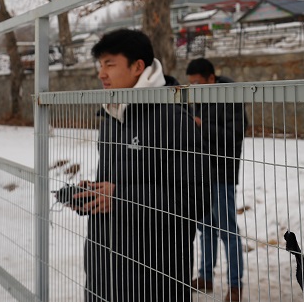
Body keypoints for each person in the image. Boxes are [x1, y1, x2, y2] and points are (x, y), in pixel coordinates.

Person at [71, 28, 209, 301]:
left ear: (138, 67)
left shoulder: (173, 119)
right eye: (100, 65)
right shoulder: (111, 116)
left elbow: (194, 201)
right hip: (104, 271)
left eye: (110, 64)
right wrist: (93, 195)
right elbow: (111, 186)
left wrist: (119, 197)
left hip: (152, 277)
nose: (102, 74)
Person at [186, 58, 248, 302]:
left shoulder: (230, 96)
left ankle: (235, 285)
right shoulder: (199, 100)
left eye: (197, 83)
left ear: (211, 78)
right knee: (205, 229)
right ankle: (205, 277)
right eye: (190, 84)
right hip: (201, 175)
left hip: (222, 175)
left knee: (228, 231)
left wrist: (202, 126)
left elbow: (235, 135)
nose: (193, 88)